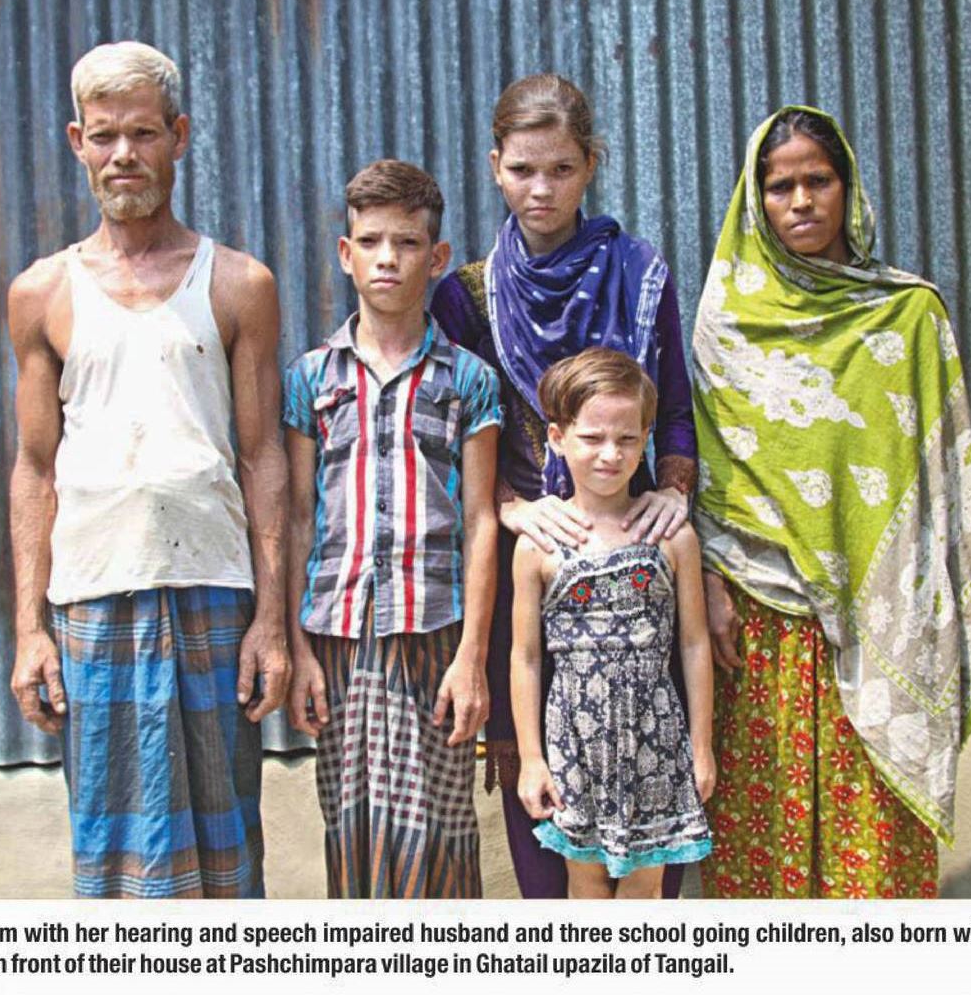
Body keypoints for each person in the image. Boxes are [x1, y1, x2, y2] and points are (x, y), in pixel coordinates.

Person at [7, 41, 290, 898]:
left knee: (225, 847)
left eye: (143, 133)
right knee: (114, 852)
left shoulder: (237, 283)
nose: (123, 154)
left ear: (180, 136)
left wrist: (271, 622)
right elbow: (34, 469)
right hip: (94, 595)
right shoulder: (43, 292)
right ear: (77, 143)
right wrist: (28, 633)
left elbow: (263, 456)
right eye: (104, 136)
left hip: (213, 587)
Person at [691, 105, 971, 899]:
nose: (800, 201)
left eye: (818, 181)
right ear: (755, 200)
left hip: (879, 610)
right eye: (779, 186)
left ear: (848, 189)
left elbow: (941, 473)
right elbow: (712, 479)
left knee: (874, 848)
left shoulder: (909, 314)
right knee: (765, 845)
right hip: (761, 615)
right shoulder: (727, 322)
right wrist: (710, 585)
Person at [431, 73, 697, 899]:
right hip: (534, 563)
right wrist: (511, 508)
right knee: (543, 803)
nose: (540, 189)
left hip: (635, 566)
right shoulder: (466, 297)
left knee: (650, 818)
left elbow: (675, 409)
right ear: (494, 168)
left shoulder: (639, 274)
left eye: (561, 169)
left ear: (591, 166)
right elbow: (447, 437)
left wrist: (673, 491)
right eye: (521, 170)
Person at [284, 159, 501, 899]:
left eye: (407, 243)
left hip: (433, 634)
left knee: (440, 830)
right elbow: (297, 516)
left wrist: (472, 657)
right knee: (352, 827)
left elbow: (480, 521)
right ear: (345, 254)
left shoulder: (467, 379)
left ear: (436, 258)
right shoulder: (312, 378)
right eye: (371, 242)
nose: (388, 259)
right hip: (338, 637)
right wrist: (298, 650)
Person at [511, 348, 715, 899]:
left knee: (646, 889)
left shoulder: (672, 537)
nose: (610, 454)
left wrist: (700, 748)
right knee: (586, 885)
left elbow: (694, 644)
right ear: (557, 438)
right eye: (592, 438)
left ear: (647, 437)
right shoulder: (538, 546)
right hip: (574, 741)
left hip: (657, 739)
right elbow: (525, 657)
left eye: (627, 439)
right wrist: (531, 759)